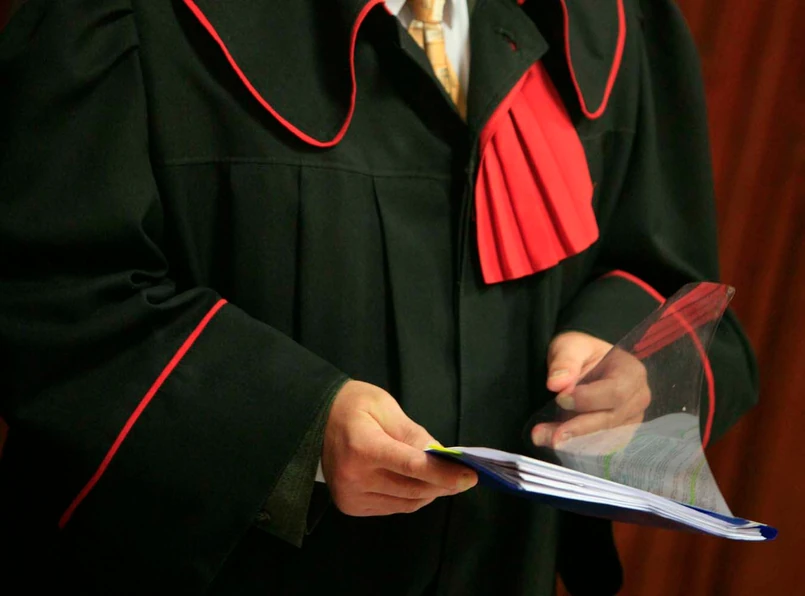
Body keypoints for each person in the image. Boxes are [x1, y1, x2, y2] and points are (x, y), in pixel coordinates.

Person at [0, 0, 758, 594]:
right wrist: (294, 431)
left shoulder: (609, 23)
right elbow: (50, 292)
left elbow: (664, 276)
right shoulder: (135, 17)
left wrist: (630, 364)